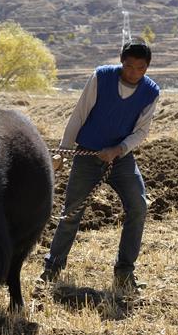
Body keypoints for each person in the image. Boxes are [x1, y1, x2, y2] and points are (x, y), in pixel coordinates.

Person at [40, 38, 160, 293]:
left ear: (147, 68)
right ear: (121, 62)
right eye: (129, 66)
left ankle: (125, 272)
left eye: (140, 68)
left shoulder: (151, 92)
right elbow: (79, 115)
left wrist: (117, 150)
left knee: (138, 206)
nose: (133, 73)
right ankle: (52, 268)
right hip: (87, 156)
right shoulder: (101, 77)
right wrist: (63, 151)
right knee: (72, 212)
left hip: (121, 159)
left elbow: (141, 132)